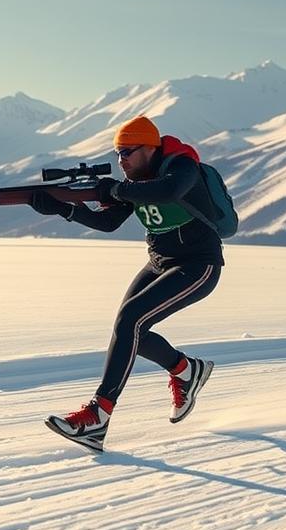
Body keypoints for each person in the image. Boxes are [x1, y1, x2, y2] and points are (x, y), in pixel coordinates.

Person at [28, 115, 224, 451]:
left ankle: (98, 416)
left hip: (199, 265)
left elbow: (169, 191)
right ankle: (185, 369)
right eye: (118, 154)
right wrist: (63, 208)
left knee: (131, 319)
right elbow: (107, 222)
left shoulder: (180, 165)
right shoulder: (132, 180)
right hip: (160, 262)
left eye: (128, 152)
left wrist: (116, 189)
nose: (122, 161)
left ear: (150, 149)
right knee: (128, 326)